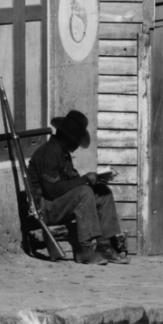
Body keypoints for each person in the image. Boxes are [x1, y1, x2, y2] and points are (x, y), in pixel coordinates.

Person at [27, 109, 128, 265]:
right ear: (69, 139)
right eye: (76, 141)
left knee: (102, 193)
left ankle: (104, 245)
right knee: (84, 193)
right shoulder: (49, 152)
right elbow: (51, 191)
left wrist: (93, 180)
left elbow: (71, 182)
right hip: (45, 207)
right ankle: (85, 250)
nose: (77, 145)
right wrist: (84, 180)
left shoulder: (62, 152)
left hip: (58, 204)